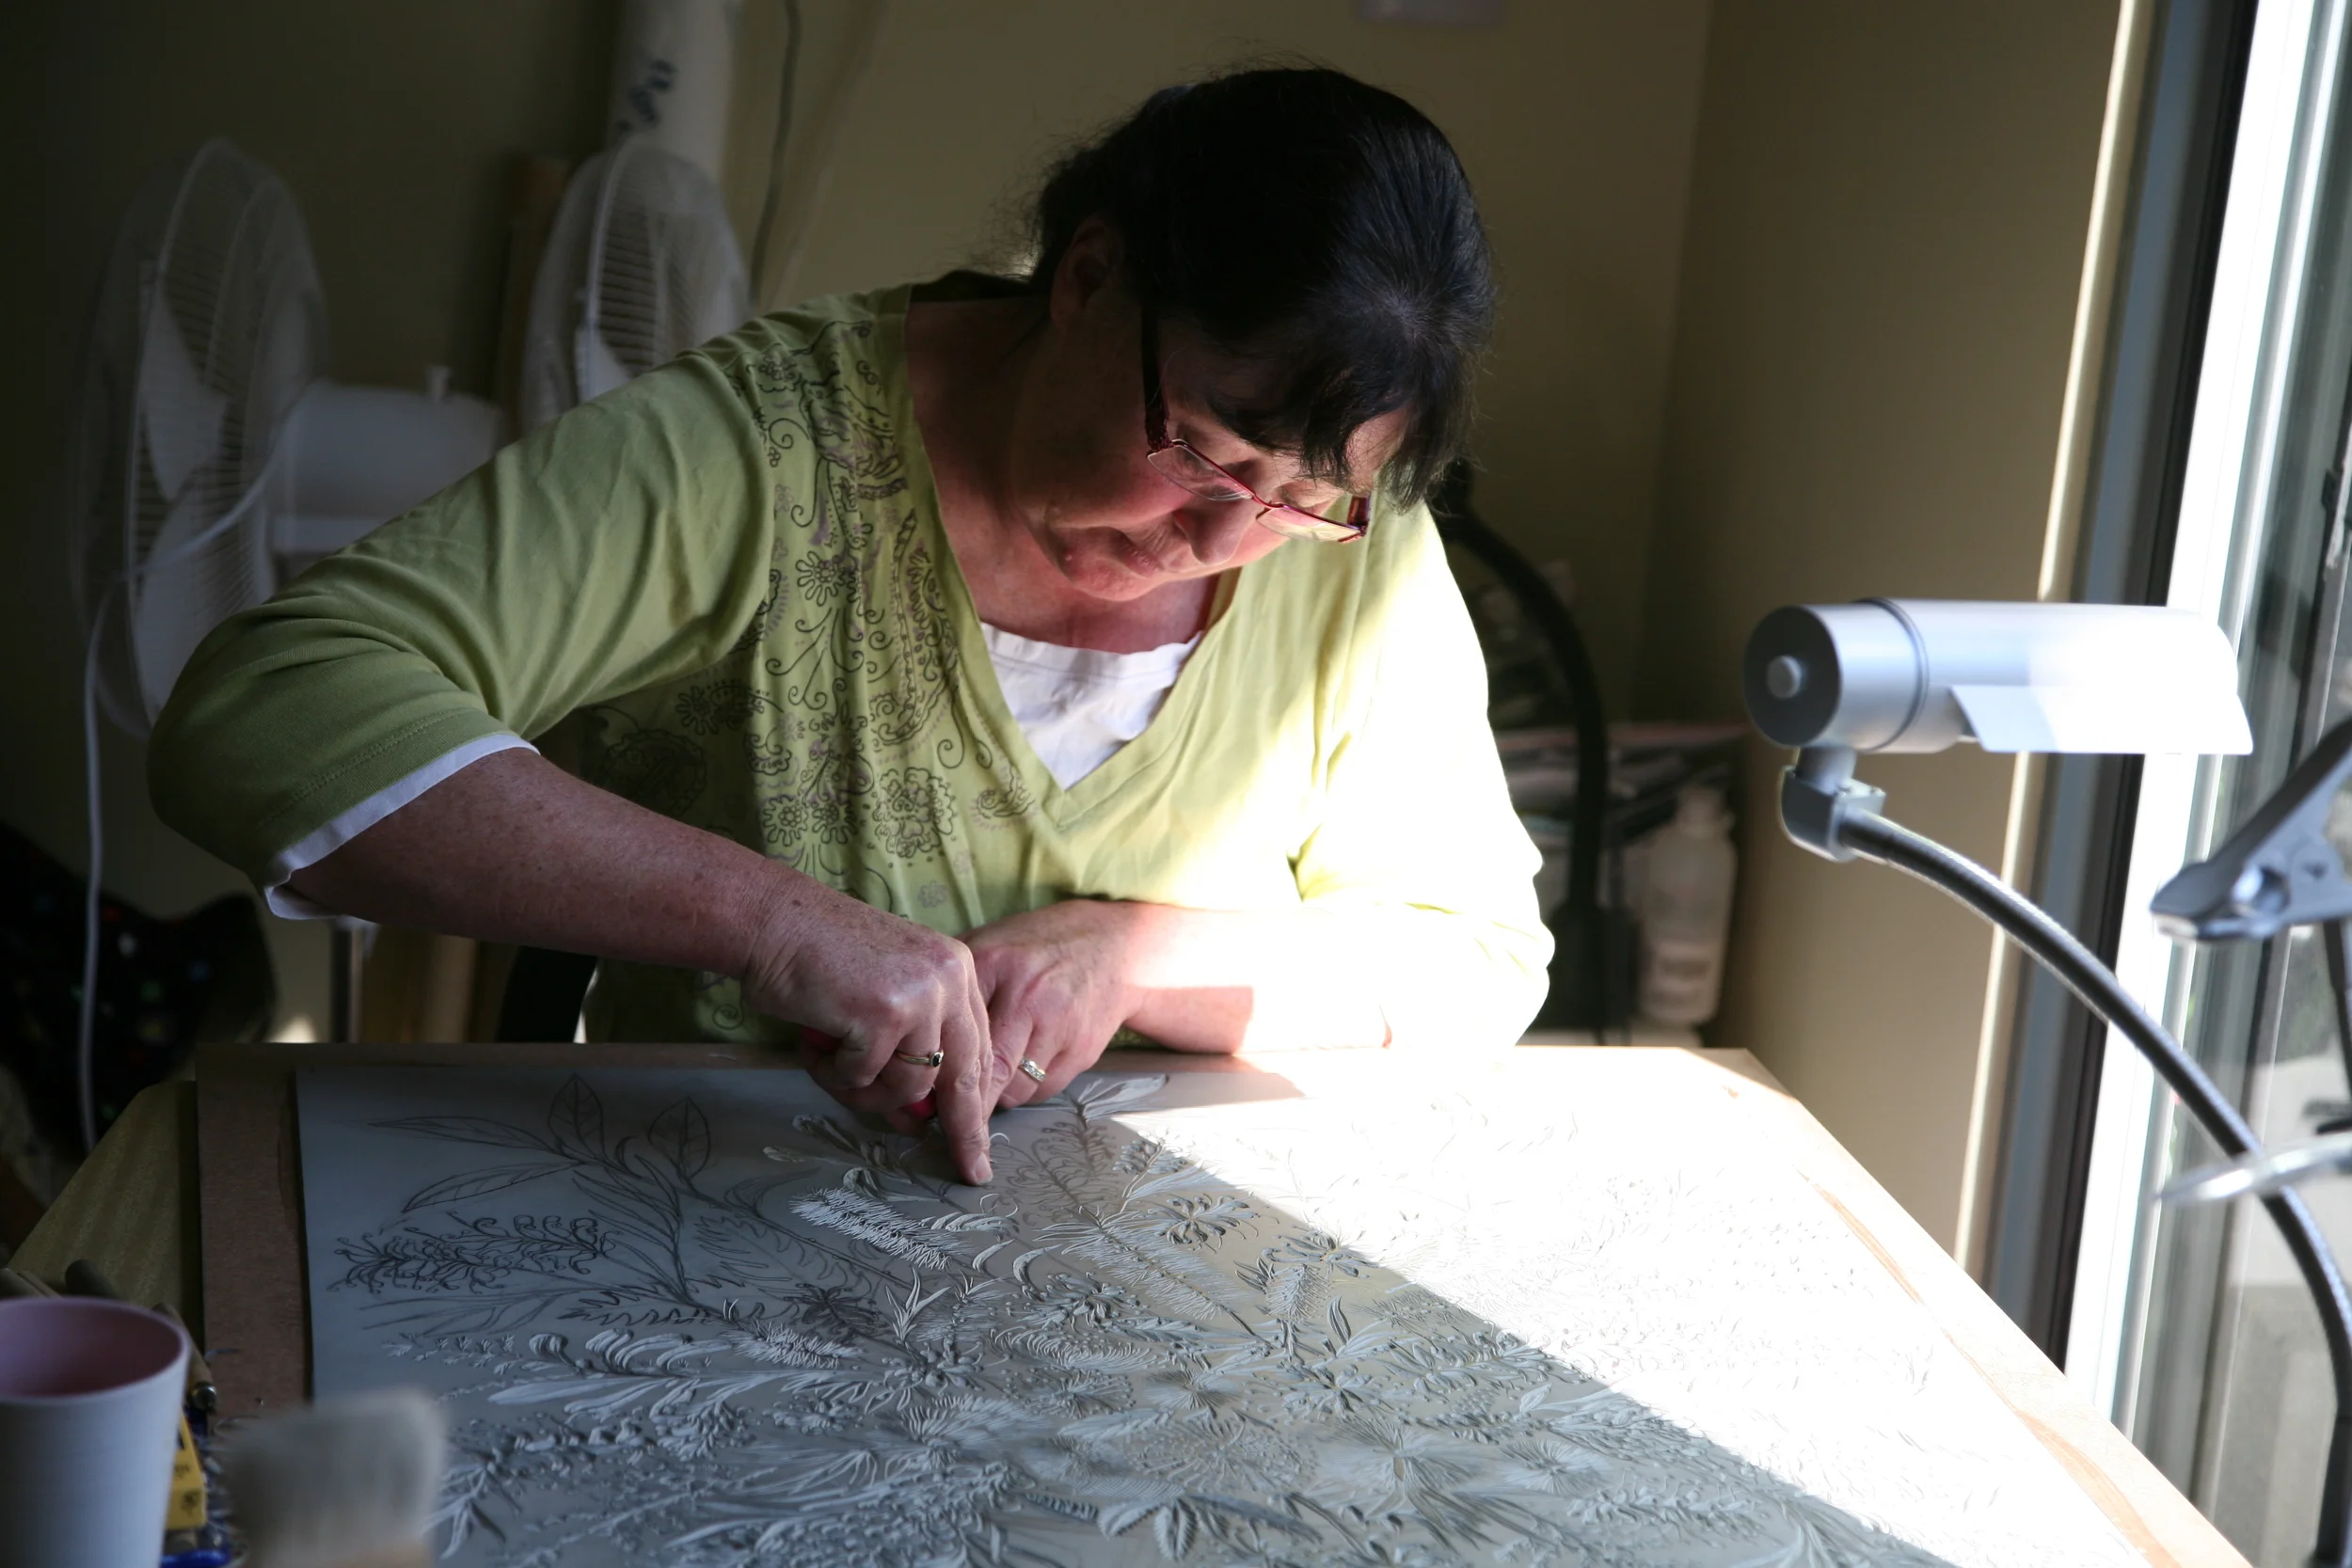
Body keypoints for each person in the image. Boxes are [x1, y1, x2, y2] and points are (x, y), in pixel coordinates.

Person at [150, 67, 1551, 1187]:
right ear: (1087, 277)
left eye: (1303, 499)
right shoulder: (768, 454)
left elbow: (1477, 956)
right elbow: (263, 708)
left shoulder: (1358, 557)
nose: (1225, 539)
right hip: (724, 1223)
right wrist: (770, 920)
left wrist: (1126, 954)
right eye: (1198, 449)